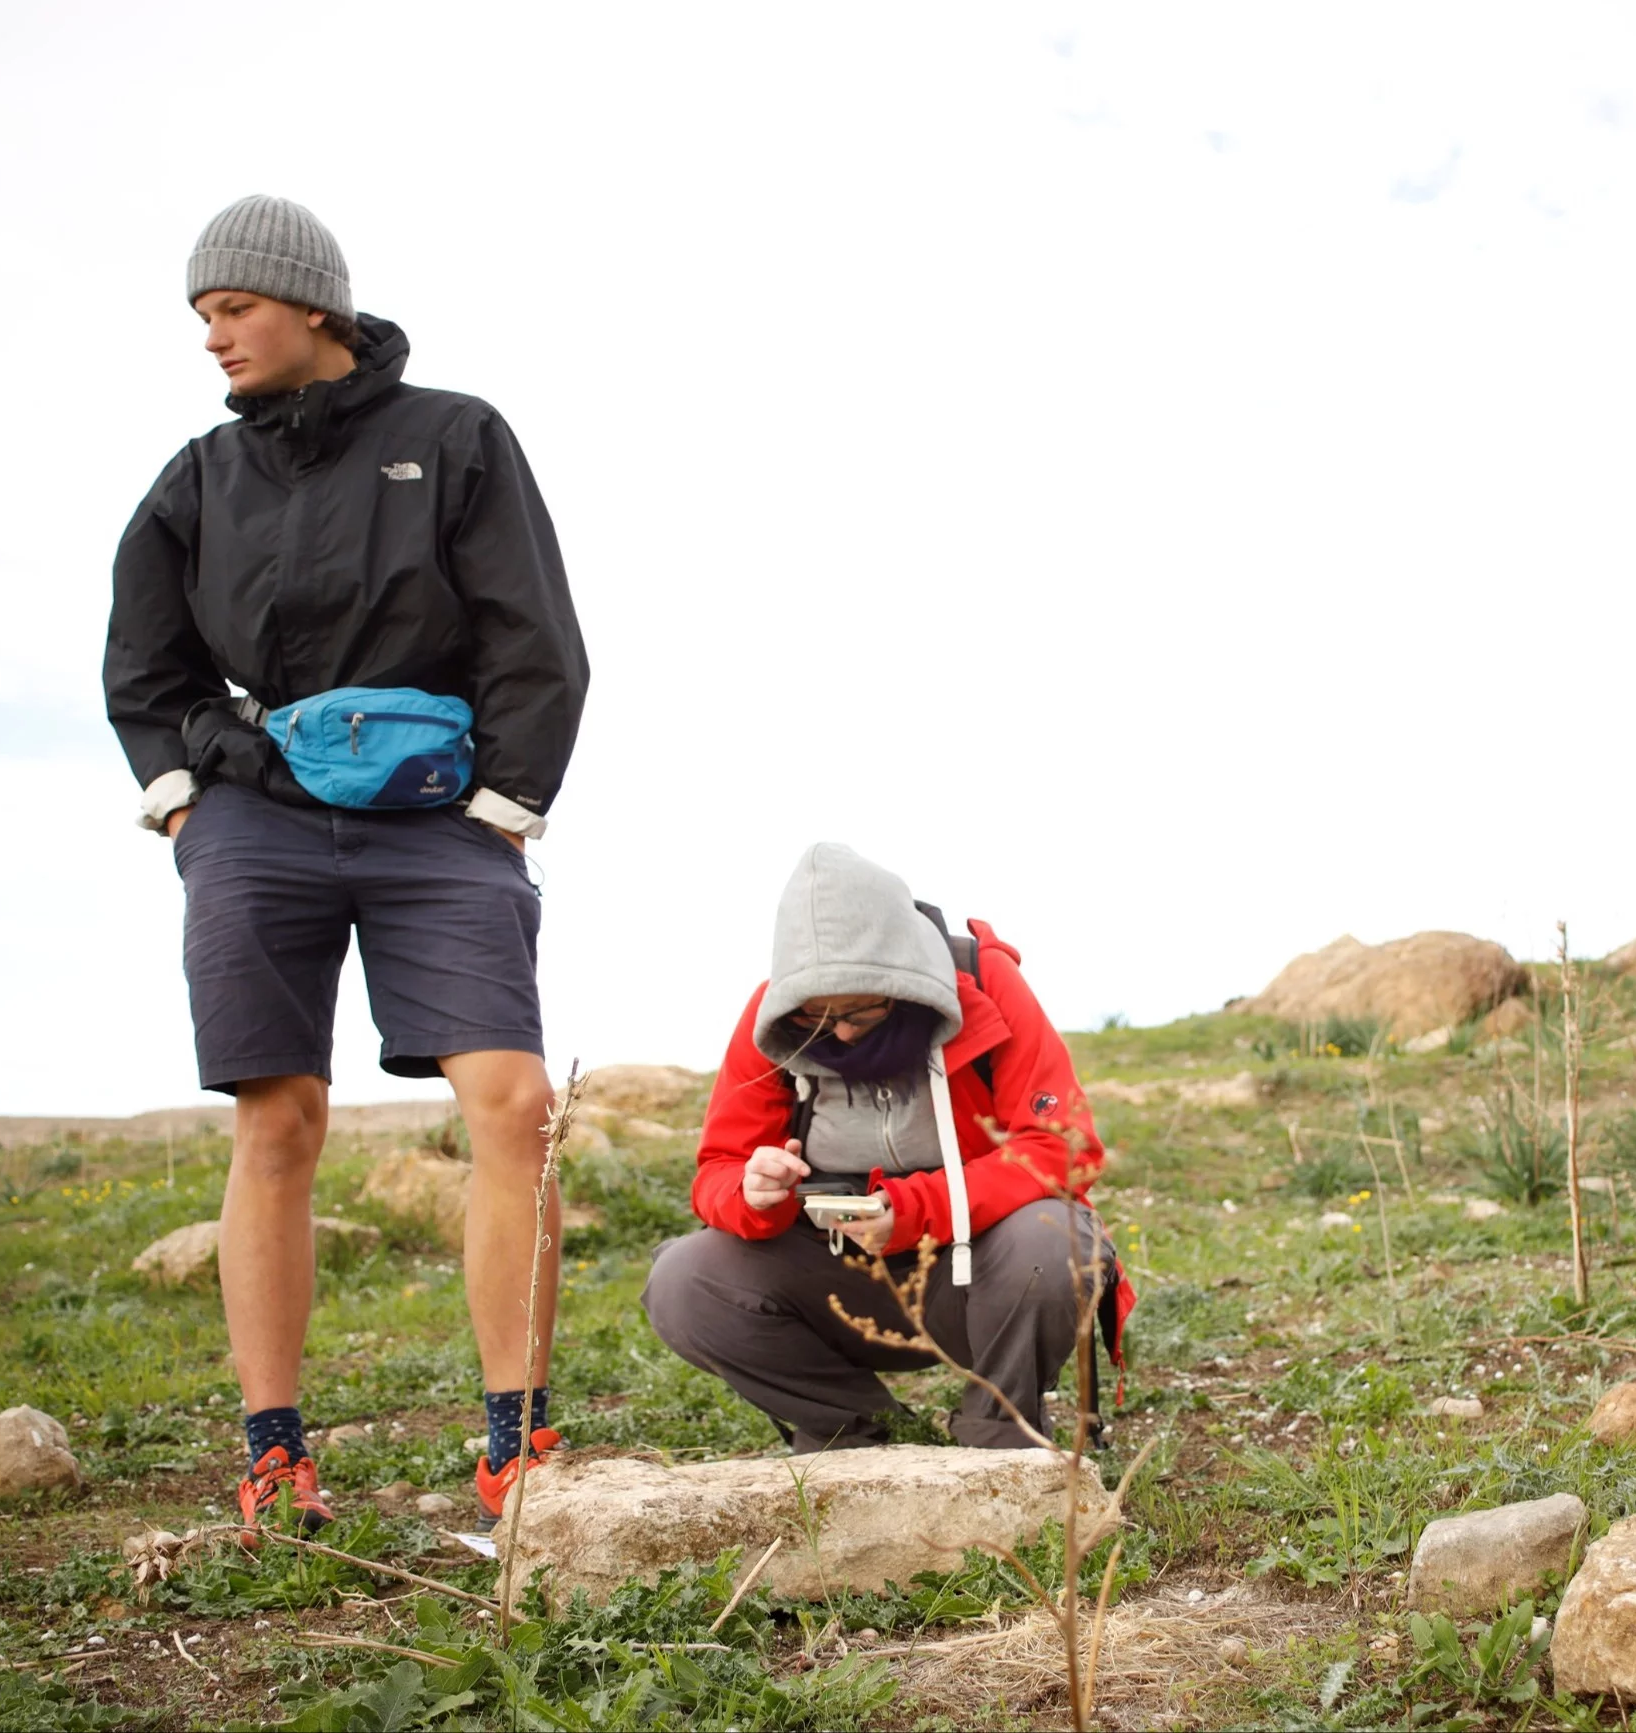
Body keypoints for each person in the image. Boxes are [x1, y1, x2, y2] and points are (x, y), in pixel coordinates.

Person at [103, 195, 591, 1535]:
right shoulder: (198, 477)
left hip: (439, 817)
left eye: (233, 310)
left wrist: (504, 807)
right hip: (254, 818)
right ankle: (275, 1455)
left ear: (309, 304)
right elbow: (144, 665)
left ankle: (517, 1441)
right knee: (279, 1121)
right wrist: (184, 807)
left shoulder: (454, 437)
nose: (214, 339)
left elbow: (532, 632)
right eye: (202, 317)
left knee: (512, 1104)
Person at [644, 844, 1129, 1451]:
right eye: (818, 1016)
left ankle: (1001, 1438)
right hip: (838, 1278)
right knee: (684, 1281)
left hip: (978, 1272)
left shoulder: (983, 982)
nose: (841, 1030)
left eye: (861, 1009)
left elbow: (1064, 1147)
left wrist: (917, 1209)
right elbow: (718, 1167)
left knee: (1051, 1240)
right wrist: (750, 1190)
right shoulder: (772, 1018)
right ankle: (862, 1434)